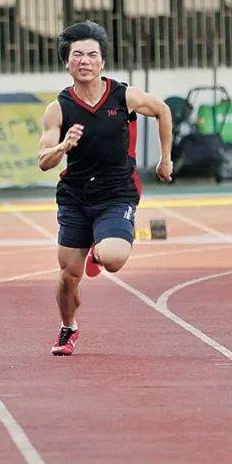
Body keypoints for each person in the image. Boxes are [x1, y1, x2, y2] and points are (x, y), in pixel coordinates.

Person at [38, 20, 173, 356]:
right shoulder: (58, 109)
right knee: (69, 274)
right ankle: (68, 328)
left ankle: (98, 251)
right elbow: (43, 161)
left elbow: (163, 110)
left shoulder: (123, 96)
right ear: (67, 63)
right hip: (75, 196)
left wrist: (165, 158)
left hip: (117, 193)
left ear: (102, 61)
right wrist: (62, 147)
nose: (85, 60)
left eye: (92, 55)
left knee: (113, 258)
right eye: (78, 55)